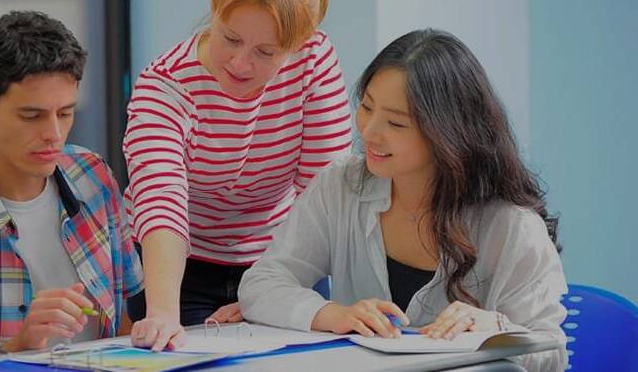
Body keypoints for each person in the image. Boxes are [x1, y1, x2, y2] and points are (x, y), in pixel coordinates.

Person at [239, 29, 568, 371]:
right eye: (366, 106)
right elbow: (263, 283)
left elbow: (552, 356)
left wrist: (497, 328)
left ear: (448, 133)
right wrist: (332, 314)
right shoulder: (342, 184)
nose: (369, 132)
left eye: (396, 123)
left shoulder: (511, 227)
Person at [124, 0, 353, 351]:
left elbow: (323, 195)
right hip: (179, 268)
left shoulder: (314, 61)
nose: (241, 64)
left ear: (299, 45)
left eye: (266, 53)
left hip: (283, 258)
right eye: (230, 39)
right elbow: (161, 202)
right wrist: (162, 315)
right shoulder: (166, 85)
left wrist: (270, 292)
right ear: (215, 8)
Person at [0, 11, 143, 353]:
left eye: (65, 113)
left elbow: (123, 321)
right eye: (32, 116)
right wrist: (21, 344)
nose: (53, 134)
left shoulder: (93, 176)